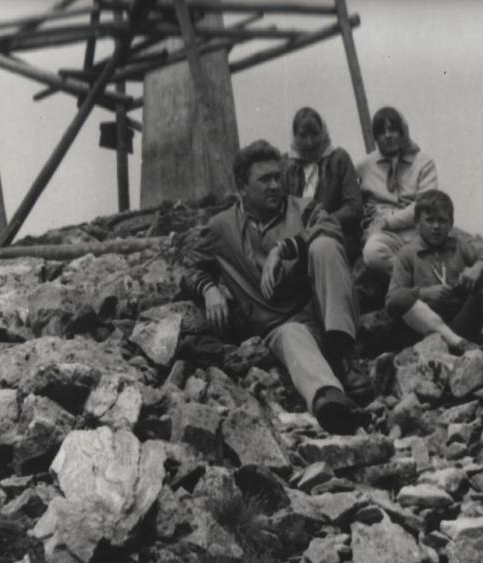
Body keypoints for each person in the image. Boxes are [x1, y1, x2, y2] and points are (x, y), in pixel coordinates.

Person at [185, 140, 372, 434]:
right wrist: (208, 288)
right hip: (279, 326)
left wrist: (285, 247)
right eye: (265, 179)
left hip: (323, 314)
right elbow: (192, 265)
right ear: (242, 187)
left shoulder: (303, 207)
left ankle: (348, 358)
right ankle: (329, 399)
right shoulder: (221, 227)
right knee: (290, 335)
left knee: (324, 245)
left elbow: (332, 228)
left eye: (277, 177)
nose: (275, 185)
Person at [385, 190, 483, 354]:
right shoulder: (407, 254)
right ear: (417, 223)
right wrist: (424, 293)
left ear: (451, 224)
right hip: (429, 335)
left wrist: (479, 266)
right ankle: (457, 344)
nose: (436, 227)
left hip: (462, 325)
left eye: (442, 220)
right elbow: (392, 300)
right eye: (429, 220)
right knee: (400, 300)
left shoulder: (460, 246)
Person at [357, 106, 439, 275]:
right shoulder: (364, 166)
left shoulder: (424, 163)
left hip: (417, 231)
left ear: (403, 132)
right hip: (385, 235)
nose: (388, 136)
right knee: (372, 253)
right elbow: (353, 200)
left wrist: (388, 221)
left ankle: (417, 280)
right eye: (381, 131)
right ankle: (414, 278)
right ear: (375, 137)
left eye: (393, 130)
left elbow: (424, 205)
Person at [282, 107, 363, 262]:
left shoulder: (339, 158)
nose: (309, 142)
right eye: (303, 135)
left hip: (336, 235)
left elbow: (354, 207)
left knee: (319, 248)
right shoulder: (287, 166)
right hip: (297, 238)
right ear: (294, 136)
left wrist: (322, 224)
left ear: (323, 133)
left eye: (314, 134)